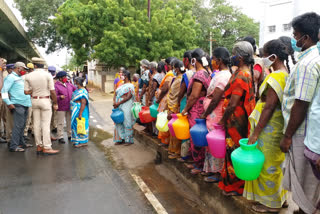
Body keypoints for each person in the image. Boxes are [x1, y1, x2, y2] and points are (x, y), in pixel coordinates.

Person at [242, 39, 289, 212]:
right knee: (276, 164)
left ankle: (270, 203)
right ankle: (280, 198)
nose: (261, 59)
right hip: (277, 126)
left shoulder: (276, 76)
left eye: (263, 56)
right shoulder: (285, 74)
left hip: (269, 127)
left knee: (266, 165)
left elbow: (269, 106)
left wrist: (256, 133)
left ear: (273, 57)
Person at [280, 12, 320, 214]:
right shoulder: (310, 60)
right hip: (302, 128)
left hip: (301, 131)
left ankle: (307, 209)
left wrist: (287, 136)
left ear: (306, 37)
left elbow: (301, 103)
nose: (294, 40)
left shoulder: (307, 64)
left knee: (305, 177)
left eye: (296, 35)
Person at [217, 41, 256, 196]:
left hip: (236, 121)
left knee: (233, 150)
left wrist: (222, 119)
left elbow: (233, 103)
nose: (231, 57)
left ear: (239, 57)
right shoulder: (242, 72)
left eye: (234, 54)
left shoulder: (242, 75)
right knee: (232, 150)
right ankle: (233, 184)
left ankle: (235, 186)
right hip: (236, 119)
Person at [200, 47, 232, 182]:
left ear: (219, 61)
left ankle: (218, 172)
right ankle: (211, 169)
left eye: (213, 59)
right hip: (212, 114)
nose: (211, 61)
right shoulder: (219, 74)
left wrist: (205, 113)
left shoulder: (224, 76)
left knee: (216, 142)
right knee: (210, 142)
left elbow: (216, 98)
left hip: (216, 113)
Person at [181, 48, 212, 174]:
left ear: (194, 60)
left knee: (196, 137)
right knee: (200, 136)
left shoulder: (199, 75)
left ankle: (199, 164)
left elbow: (194, 95)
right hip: (202, 107)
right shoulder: (206, 72)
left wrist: (185, 109)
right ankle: (199, 163)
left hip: (197, 109)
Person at [24, 57, 59, 155]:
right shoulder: (48, 75)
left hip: (34, 100)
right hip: (45, 100)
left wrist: (34, 91)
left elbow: (26, 92)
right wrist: (55, 103)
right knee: (45, 125)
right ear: (43, 65)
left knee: (36, 124)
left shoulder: (28, 76)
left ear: (34, 65)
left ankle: (39, 146)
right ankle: (47, 147)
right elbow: (52, 91)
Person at [2, 62, 32, 152]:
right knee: (18, 126)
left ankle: (21, 143)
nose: (24, 71)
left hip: (25, 104)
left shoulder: (20, 78)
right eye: (23, 69)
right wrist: (8, 102)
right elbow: (4, 91)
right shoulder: (10, 77)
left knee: (22, 125)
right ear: (18, 68)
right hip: (17, 104)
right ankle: (13, 146)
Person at [167, 60, 185, 159]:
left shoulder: (180, 80)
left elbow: (177, 95)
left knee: (176, 130)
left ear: (177, 69)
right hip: (172, 106)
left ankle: (177, 151)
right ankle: (173, 150)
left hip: (176, 107)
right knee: (172, 130)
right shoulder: (176, 79)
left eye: (174, 68)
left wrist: (174, 108)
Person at [156, 57, 176, 145]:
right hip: (167, 98)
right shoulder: (171, 74)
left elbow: (165, 88)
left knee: (164, 118)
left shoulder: (170, 74)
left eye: (167, 65)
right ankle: (165, 140)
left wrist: (159, 98)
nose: (166, 66)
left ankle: (165, 140)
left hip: (165, 99)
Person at [113, 70, 135, 145]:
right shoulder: (121, 85)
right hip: (119, 104)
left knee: (127, 120)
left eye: (123, 75)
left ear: (126, 76)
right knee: (119, 121)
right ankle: (120, 138)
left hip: (126, 104)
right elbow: (115, 94)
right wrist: (115, 102)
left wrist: (118, 103)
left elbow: (129, 96)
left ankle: (128, 140)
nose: (121, 76)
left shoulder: (130, 85)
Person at [55, 71, 77, 144]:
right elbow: (54, 96)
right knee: (60, 122)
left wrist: (85, 90)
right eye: (64, 77)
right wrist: (59, 97)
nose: (66, 78)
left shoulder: (69, 84)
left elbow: (76, 90)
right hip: (61, 106)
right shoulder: (56, 85)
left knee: (69, 121)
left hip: (69, 106)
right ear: (60, 78)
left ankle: (69, 135)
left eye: (66, 77)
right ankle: (60, 136)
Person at [70, 77, 90, 148]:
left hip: (81, 110)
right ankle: (77, 140)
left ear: (78, 82)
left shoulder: (83, 91)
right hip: (75, 109)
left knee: (81, 125)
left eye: (75, 82)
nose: (74, 83)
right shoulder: (77, 90)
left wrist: (80, 113)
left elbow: (83, 103)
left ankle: (83, 141)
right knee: (76, 125)